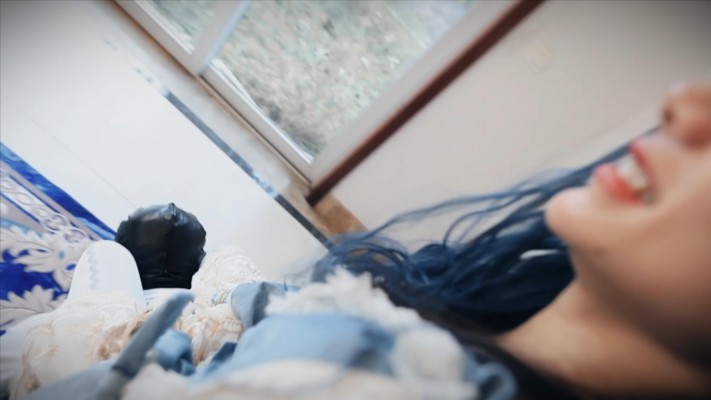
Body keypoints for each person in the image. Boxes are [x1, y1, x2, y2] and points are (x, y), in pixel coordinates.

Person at [4, 83, 710, 400]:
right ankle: (175, 290)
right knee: (224, 264)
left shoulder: (370, 380)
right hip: (255, 338)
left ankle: (144, 296)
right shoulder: (489, 330)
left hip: (132, 371)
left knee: (106, 263)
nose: (684, 103)